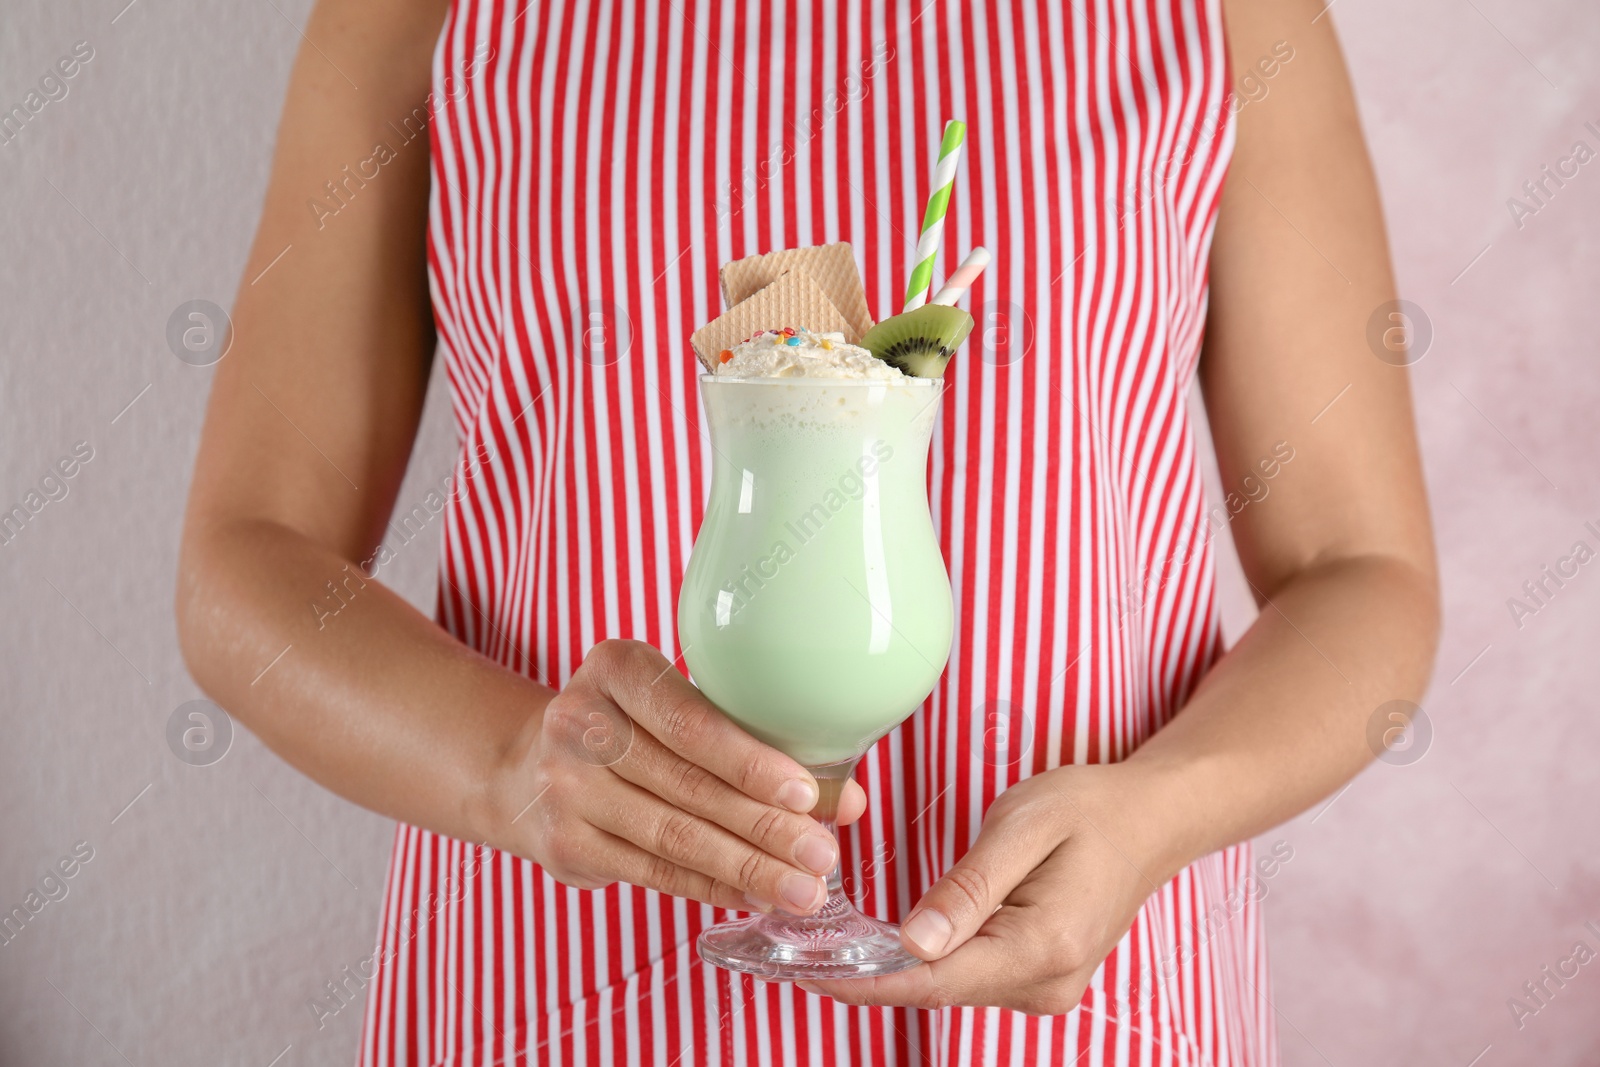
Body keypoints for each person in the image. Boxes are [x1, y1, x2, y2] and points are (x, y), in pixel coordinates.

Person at [176, 0, 1439, 1063]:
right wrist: (506, 761)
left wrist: (1160, 809)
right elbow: (250, 555)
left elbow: (1357, 570)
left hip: (1086, 1004)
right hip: (562, 983)